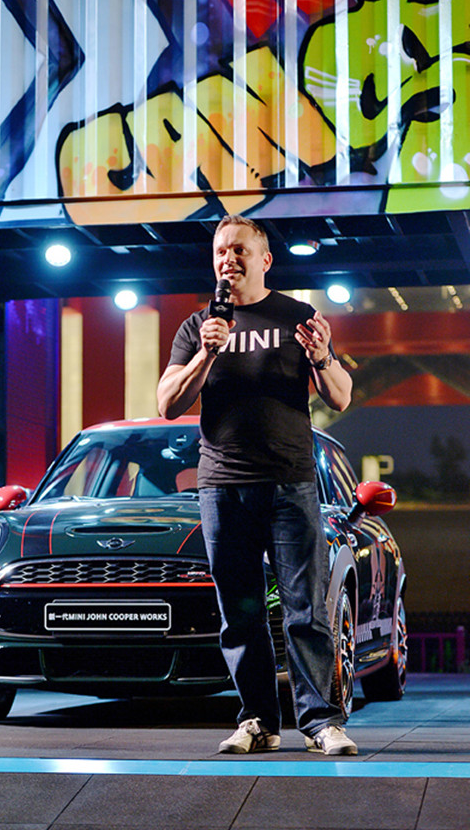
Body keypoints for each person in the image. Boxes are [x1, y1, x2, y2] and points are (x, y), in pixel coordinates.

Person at [157, 214, 357, 756]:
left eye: (240, 250)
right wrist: (207, 352)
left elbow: (340, 395)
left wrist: (321, 356)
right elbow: (168, 403)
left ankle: (321, 722)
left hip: (290, 483)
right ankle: (258, 721)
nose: (229, 259)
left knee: (305, 610)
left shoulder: (298, 317)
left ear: (265, 260)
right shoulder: (198, 326)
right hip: (222, 487)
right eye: (221, 251)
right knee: (240, 612)